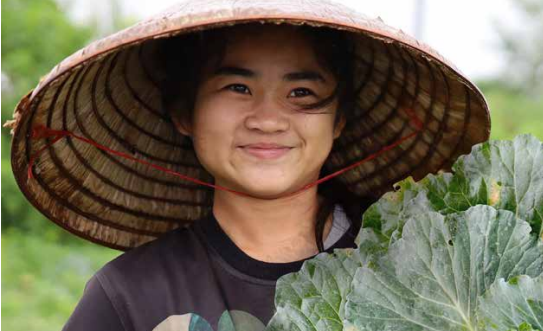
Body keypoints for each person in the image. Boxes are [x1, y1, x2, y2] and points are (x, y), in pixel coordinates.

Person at [3, 0, 490, 330]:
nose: (268, 120)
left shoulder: (423, 272)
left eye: (301, 92)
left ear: (339, 119)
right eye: (237, 88)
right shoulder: (130, 296)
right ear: (183, 112)